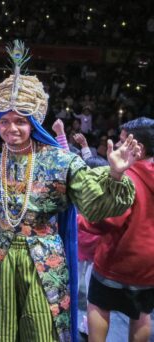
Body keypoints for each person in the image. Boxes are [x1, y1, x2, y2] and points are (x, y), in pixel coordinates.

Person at [0, 40, 140, 341]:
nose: (12, 129)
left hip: (44, 254)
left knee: (41, 325)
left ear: (33, 123)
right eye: (5, 121)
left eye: (20, 121)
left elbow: (94, 202)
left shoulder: (60, 160)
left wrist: (114, 173)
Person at [80, 117, 154, 342]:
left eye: (123, 141)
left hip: (118, 260)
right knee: (141, 314)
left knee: (99, 305)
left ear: (136, 148)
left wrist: (82, 221)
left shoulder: (127, 177)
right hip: (149, 265)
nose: (118, 145)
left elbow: (109, 221)